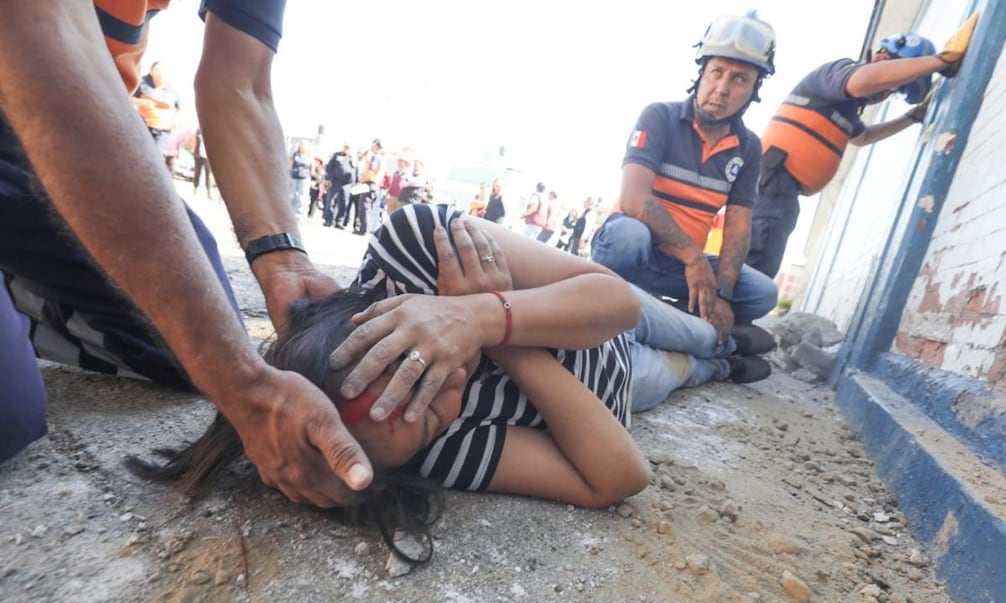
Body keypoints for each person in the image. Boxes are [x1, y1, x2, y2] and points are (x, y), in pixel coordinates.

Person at [134, 203, 773, 561]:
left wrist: (472, 312)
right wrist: (502, 335)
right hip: (620, 389)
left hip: (600, 313)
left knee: (690, 329)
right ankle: (722, 363)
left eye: (417, 375)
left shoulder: (413, 247)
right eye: (434, 419)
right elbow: (620, 474)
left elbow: (616, 304)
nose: (450, 394)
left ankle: (721, 337)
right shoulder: (438, 450)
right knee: (685, 373)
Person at [0, 1, 373, 507]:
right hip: (33, 75)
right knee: (9, 411)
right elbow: (40, 39)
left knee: (185, 345)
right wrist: (242, 382)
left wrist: (281, 256)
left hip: (49, 128)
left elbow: (240, 78)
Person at [591, 12, 779, 348]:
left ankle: (665, 321)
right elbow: (634, 199)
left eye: (739, 80)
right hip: (636, 252)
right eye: (716, 73)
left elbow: (738, 228)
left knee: (762, 294)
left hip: (682, 269)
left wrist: (722, 293)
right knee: (628, 236)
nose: (721, 89)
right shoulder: (659, 116)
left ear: (755, 90)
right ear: (701, 73)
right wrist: (694, 258)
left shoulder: (748, 148)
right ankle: (617, 313)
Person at [745, 19, 978, 279]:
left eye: (894, 91)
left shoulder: (846, 109)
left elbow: (862, 137)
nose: (886, 93)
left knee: (760, 268)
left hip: (783, 191)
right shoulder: (839, 72)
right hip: (773, 181)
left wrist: (911, 118)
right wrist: (941, 62)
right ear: (880, 59)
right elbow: (860, 82)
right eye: (890, 85)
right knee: (754, 268)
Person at [131, 61, 181, 172]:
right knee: (138, 155)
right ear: (151, 71)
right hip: (143, 127)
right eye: (158, 70)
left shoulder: (172, 92)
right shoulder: (142, 85)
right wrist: (142, 103)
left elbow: (178, 109)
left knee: (157, 158)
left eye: (164, 71)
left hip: (163, 131)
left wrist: (175, 122)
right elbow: (128, 97)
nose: (161, 73)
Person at [354, 139, 386, 236]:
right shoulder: (382, 157)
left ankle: (364, 229)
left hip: (370, 182)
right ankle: (364, 228)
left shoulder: (376, 157)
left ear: (376, 145)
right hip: (374, 185)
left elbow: (371, 170)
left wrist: (362, 179)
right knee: (368, 207)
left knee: (365, 207)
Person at [323, 142, 357, 228]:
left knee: (344, 203)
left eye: (348, 147)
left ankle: (339, 222)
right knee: (331, 201)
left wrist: (354, 184)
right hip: (335, 181)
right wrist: (328, 179)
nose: (346, 149)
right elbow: (329, 167)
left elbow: (355, 172)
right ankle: (328, 220)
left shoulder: (353, 158)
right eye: (345, 147)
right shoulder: (337, 155)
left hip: (347, 184)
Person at [289, 140, 312, 216]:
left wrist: (310, 178)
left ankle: (298, 213)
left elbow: (312, 168)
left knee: (301, 196)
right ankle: (290, 212)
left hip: (304, 178)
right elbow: (290, 165)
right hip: (294, 177)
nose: (302, 147)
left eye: (304, 146)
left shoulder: (309, 156)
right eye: (301, 145)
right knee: (292, 195)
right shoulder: (295, 155)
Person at [191, 128, 213, 200]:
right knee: (197, 173)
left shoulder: (213, 131)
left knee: (208, 175)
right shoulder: (198, 130)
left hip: (207, 156)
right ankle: (195, 190)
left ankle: (209, 193)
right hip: (198, 155)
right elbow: (194, 141)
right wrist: (193, 150)